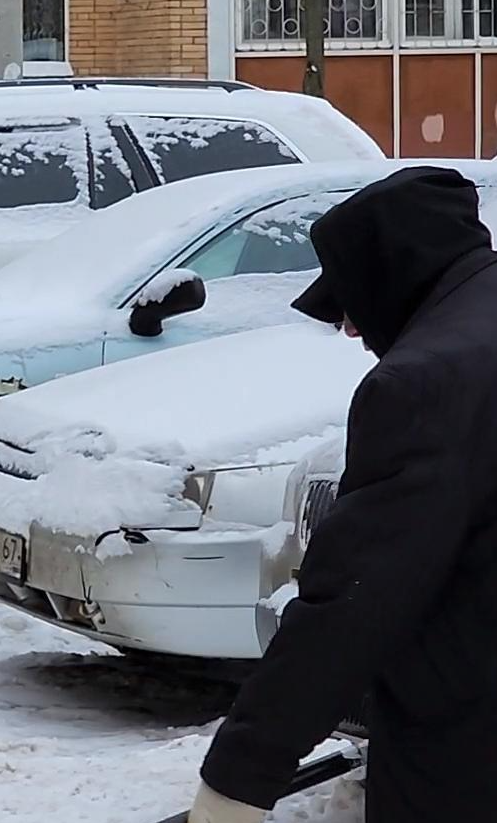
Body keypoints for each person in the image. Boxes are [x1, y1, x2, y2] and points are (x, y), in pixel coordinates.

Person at [192, 166, 497, 823]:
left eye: (351, 300)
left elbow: (353, 603)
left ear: (393, 273)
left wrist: (238, 779)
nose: (351, 330)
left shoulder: (425, 384)